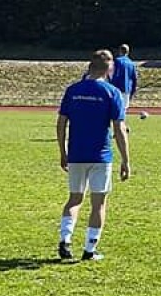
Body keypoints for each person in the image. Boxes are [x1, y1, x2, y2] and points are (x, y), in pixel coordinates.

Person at [56, 50, 131, 261]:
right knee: (98, 203)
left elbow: (61, 124)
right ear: (109, 69)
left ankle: (65, 240)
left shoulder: (73, 90)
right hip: (101, 156)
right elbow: (119, 128)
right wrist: (126, 160)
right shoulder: (112, 93)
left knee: (74, 199)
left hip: (77, 154)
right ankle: (89, 249)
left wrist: (63, 152)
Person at [110, 44, 138, 111]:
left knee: (114, 110)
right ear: (128, 52)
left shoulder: (117, 61)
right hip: (127, 89)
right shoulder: (131, 63)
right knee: (123, 111)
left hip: (117, 88)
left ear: (120, 51)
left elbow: (114, 75)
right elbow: (134, 78)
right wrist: (133, 91)